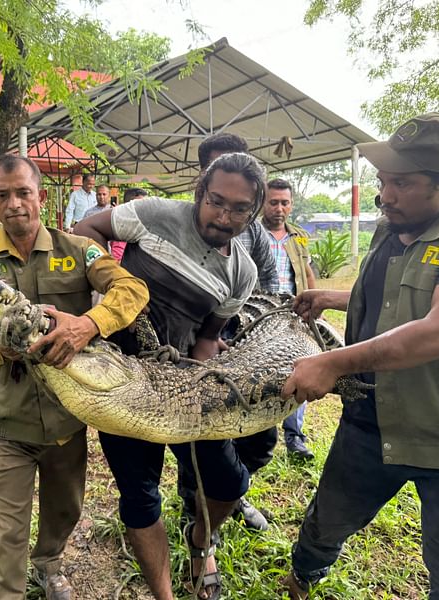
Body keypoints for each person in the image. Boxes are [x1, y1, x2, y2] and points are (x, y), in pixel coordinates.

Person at [280, 113, 439, 600]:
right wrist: (333, 297)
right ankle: (303, 576)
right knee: (326, 523)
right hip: (373, 419)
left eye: (402, 183)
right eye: (383, 181)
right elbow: (395, 298)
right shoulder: (392, 229)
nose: (386, 195)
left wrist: (332, 362)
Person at [76, 152, 265, 600]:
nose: (225, 216)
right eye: (217, 201)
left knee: (228, 481)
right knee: (140, 496)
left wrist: (199, 386)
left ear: (252, 213)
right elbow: (87, 231)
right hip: (119, 377)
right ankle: (164, 595)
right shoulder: (155, 213)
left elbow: (209, 336)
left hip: (181, 383)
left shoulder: (243, 272)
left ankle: (202, 541)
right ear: (200, 193)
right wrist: (115, 283)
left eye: (240, 209)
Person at [0, 155, 148, 600]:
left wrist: (88, 324)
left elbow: (132, 290)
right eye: (2, 196)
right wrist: (0, 349)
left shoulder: (79, 250)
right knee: (6, 533)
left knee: (65, 509)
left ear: (41, 197)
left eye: (23, 193)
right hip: (8, 422)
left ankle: (50, 564)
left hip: (67, 419)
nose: (14, 205)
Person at [177, 133, 280, 533]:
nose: (228, 207)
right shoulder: (179, 223)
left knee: (259, 439)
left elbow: (269, 284)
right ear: (203, 181)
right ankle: (195, 508)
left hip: (246, 344)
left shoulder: (251, 230)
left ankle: (232, 496)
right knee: (201, 438)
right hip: (192, 350)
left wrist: (260, 333)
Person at [262, 178, 317, 460]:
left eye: (285, 203)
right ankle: (259, 431)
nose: (279, 208)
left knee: (301, 369)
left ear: (291, 205)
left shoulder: (298, 237)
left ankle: (295, 437)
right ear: (263, 202)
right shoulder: (250, 234)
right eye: (273, 202)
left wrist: (314, 301)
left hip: (292, 314)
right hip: (258, 316)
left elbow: (307, 273)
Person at [108, 188, 148, 262]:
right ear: (128, 207)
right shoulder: (121, 227)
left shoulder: (147, 226)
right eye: (140, 205)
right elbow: (117, 257)